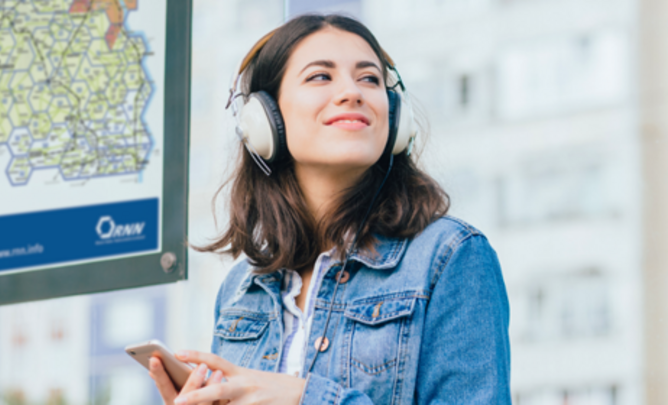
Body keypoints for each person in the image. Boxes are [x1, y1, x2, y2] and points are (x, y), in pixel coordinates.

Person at [149, 14, 511, 405]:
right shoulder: (241, 289)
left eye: (369, 78)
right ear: (263, 119)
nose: (352, 92)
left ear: (394, 114)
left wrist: (305, 398)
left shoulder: (450, 257)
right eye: (321, 76)